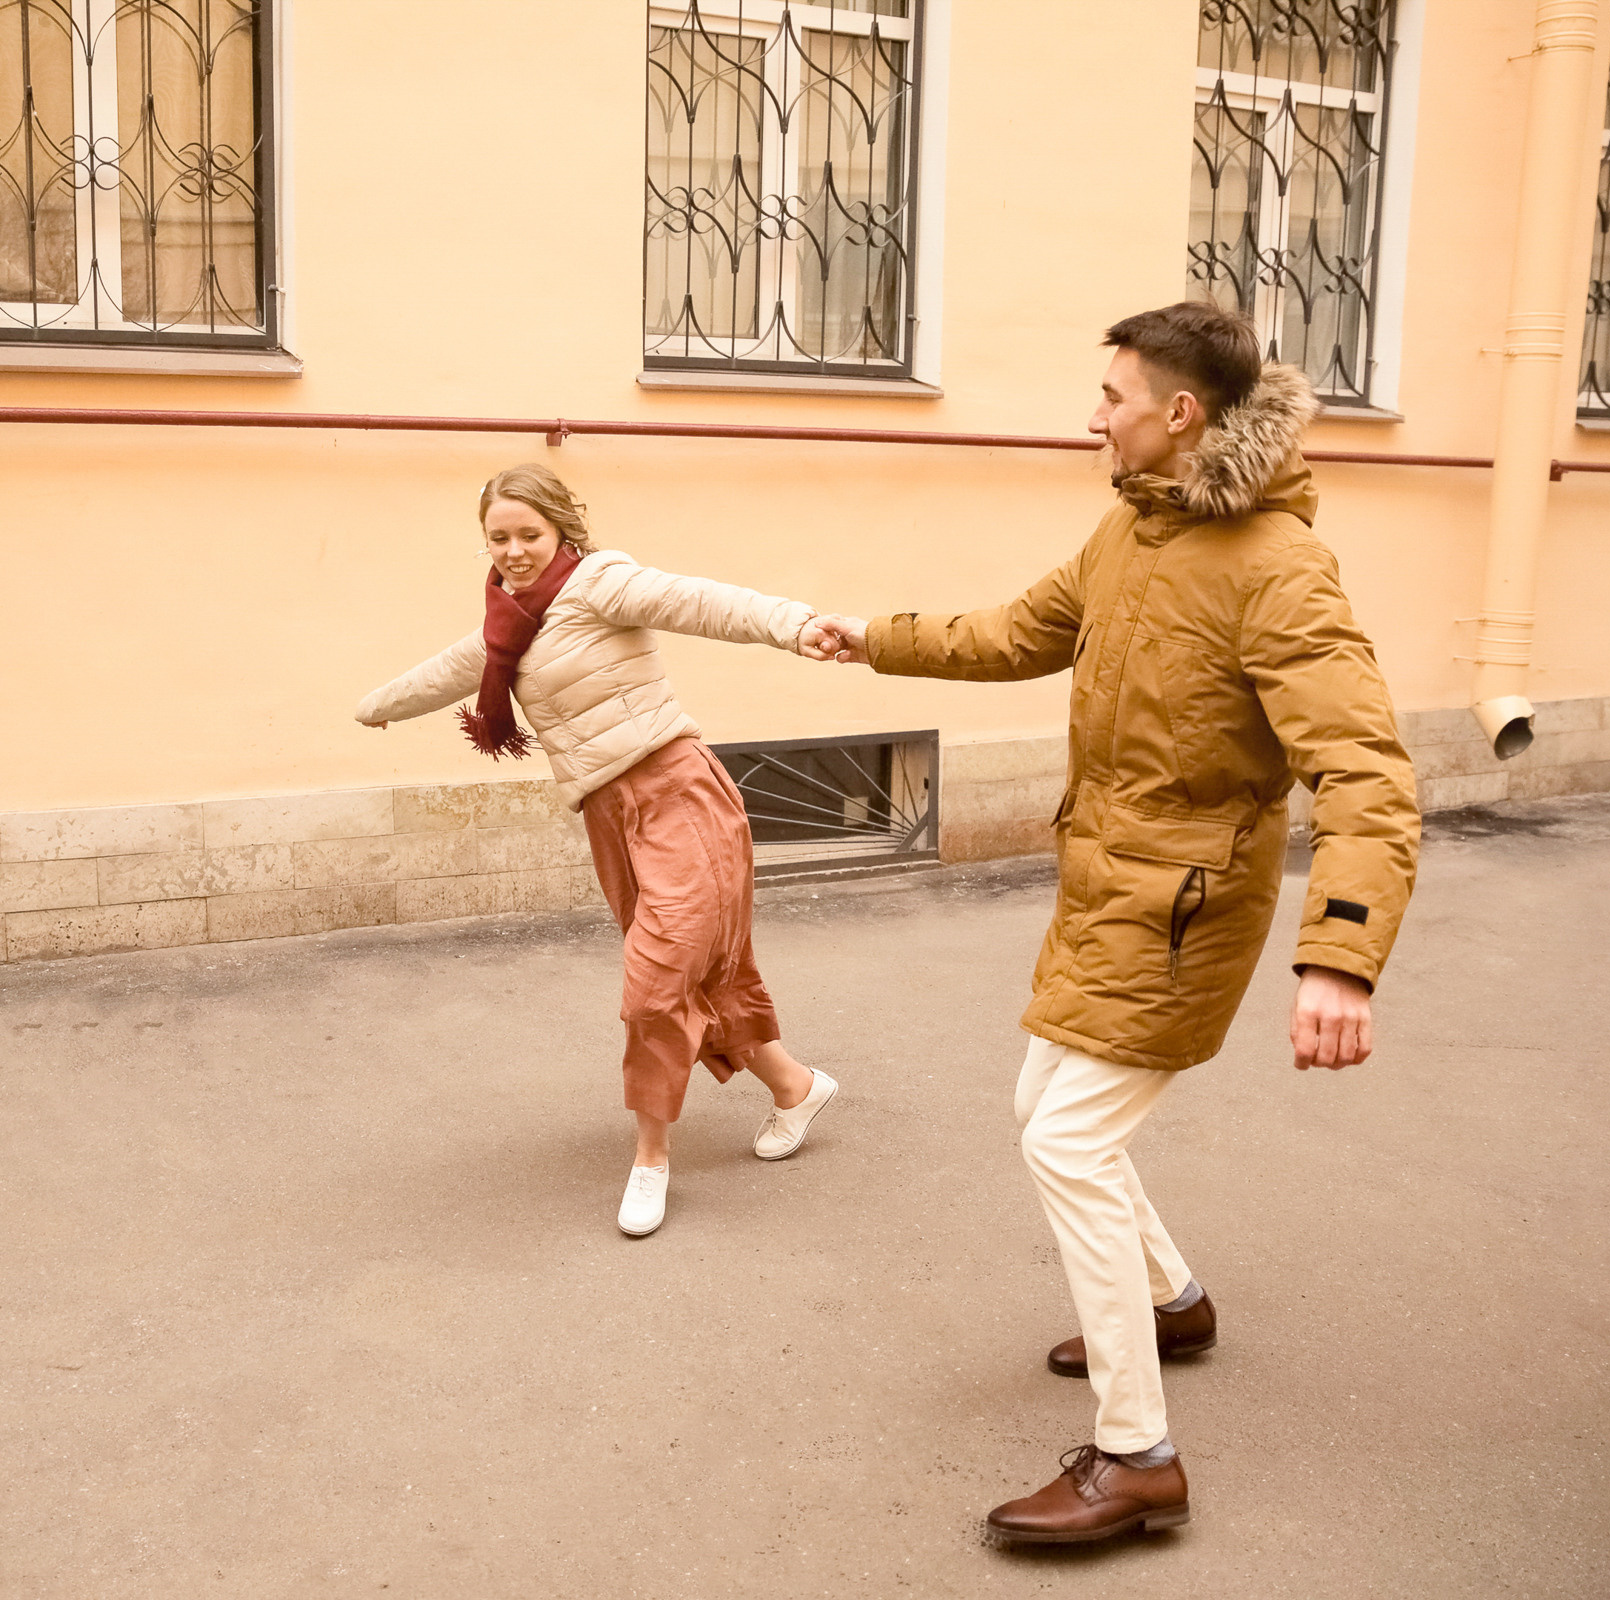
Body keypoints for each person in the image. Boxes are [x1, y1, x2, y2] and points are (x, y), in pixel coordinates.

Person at [809, 302, 1420, 1543]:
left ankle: (1137, 1457)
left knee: (1068, 1141)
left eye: (1113, 396)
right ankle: (1174, 1301)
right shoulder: (1130, 530)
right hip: (1105, 885)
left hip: (1188, 907)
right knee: (1042, 1105)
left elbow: (1365, 771)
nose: (1095, 416)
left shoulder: (1278, 569)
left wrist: (1341, 958)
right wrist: (873, 640)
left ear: (1180, 414)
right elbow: (1014, 633)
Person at [357, 464, 844, 1238]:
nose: (514, 550)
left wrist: (795, 625)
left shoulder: (599, 583)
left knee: (654, 985)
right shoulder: (508, 627)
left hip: (678, 795)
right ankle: (794, 1086)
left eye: (529, 534)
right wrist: (376, 706)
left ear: (561, 530)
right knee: (696, 971)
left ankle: (651, 1158)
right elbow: (447, 671)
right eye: (498, 537)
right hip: (610, 816)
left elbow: (699, 601)